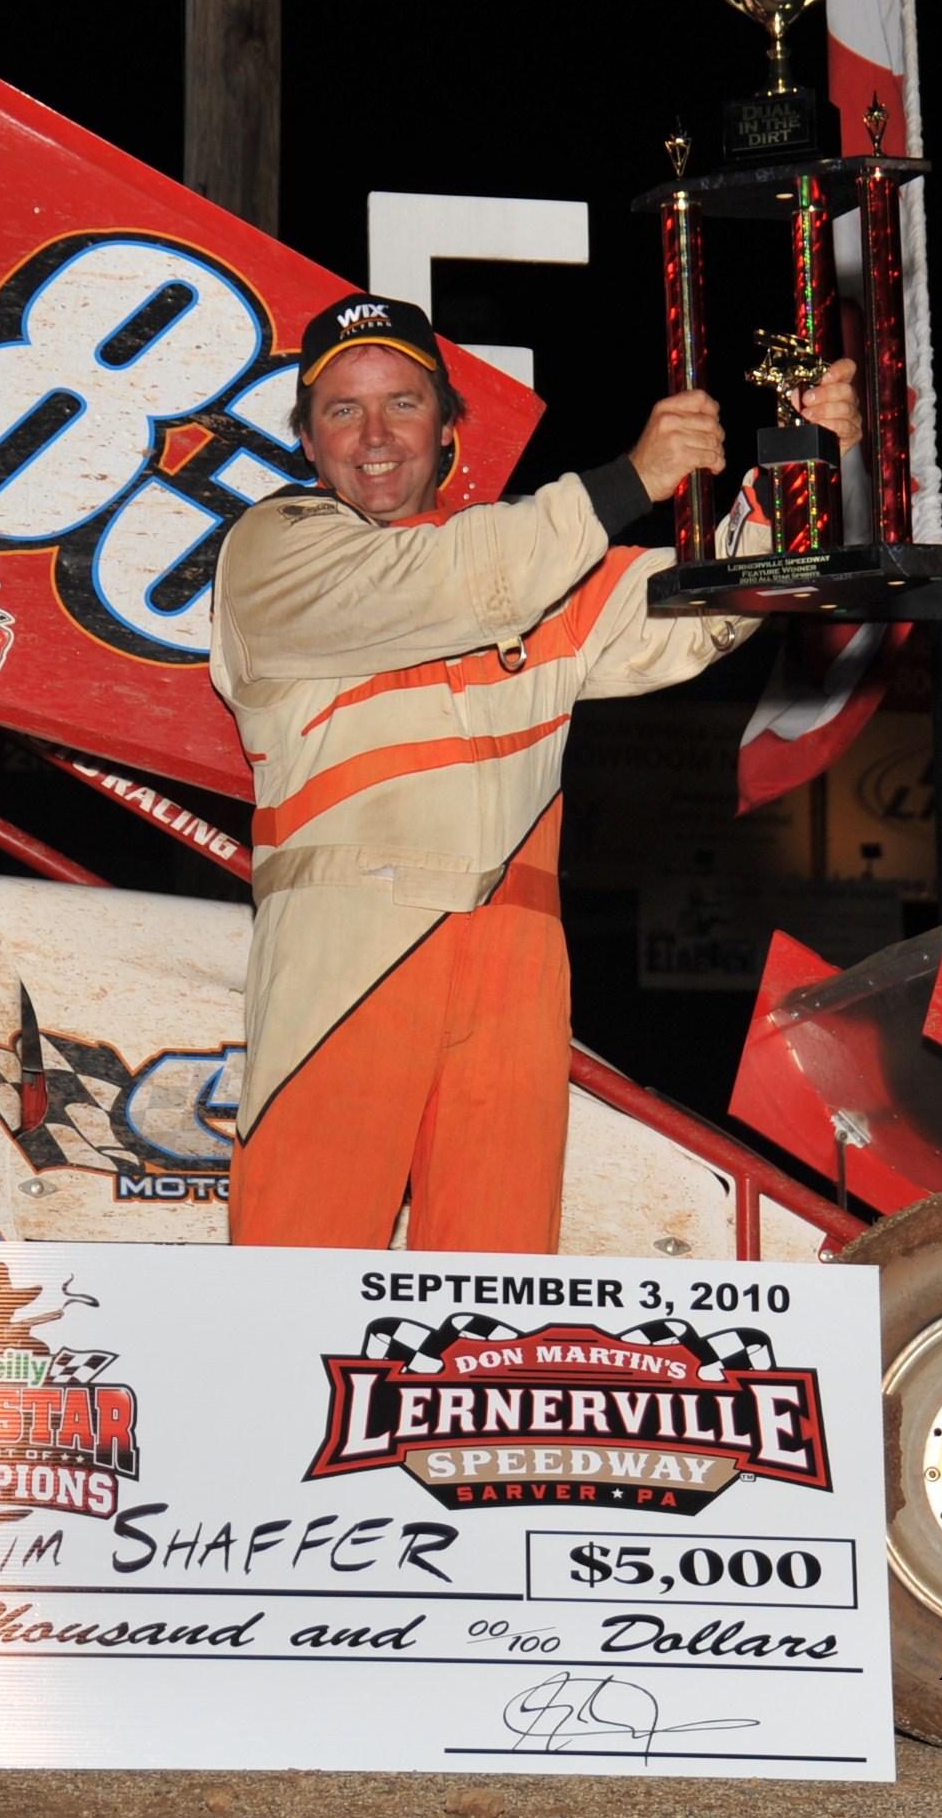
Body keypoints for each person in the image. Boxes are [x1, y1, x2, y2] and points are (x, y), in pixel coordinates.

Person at [208, 294, 861, 1251]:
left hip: (518, 946)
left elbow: (698, 611)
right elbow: (448, 583)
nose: (375, 435)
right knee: (303, 1252)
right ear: (305, 439)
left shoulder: (526, 561)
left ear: (446, 432)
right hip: (349, 932)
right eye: (342, 411)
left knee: (496, 1278)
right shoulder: (274, 548)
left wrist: (796, 467)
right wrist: (630, 478)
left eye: (402, 404)